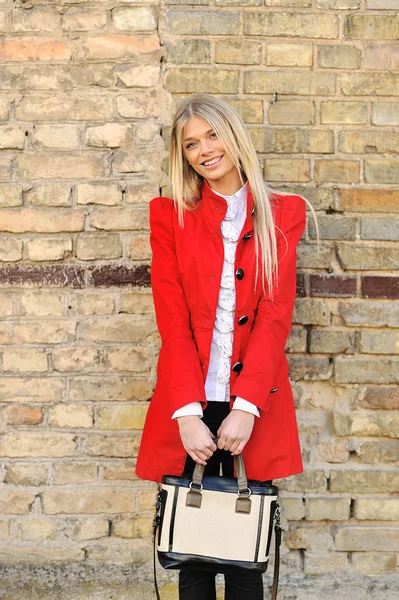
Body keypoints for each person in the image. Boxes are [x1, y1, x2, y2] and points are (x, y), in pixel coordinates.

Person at [136, 94, 316, 600]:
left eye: (212, 135)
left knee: (244, 557)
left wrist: (248, 407)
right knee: (191, 555)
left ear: (233, 135)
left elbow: (276, 317)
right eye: (191, 143)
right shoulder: (170, 215)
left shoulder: (283, 214)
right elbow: (171, 321)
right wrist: (186, 413)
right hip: (189, 401)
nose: (204, 150)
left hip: (251, 404)